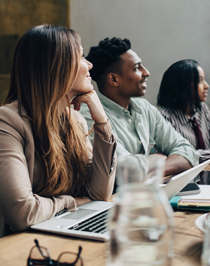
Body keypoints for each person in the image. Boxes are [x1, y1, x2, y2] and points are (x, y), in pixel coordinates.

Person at [0, 25, 116, 239]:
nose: (89, 64)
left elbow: (99, 194)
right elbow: (22, 213)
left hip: (60, 234)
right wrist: (71, 202)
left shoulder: (75, 121)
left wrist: (102, 122)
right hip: (16, 248)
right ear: (56, 67)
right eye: (80, 56)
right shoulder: (3, 122)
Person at [80, 37, 199, 181]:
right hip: (117, 199)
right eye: (136, 68)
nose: (146, 72)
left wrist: (156, 167)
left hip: (151, 192)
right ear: (113, 80)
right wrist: (157, 161)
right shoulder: (90, 116)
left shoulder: (145, 108)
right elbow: (124, 171)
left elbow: (188, 150)